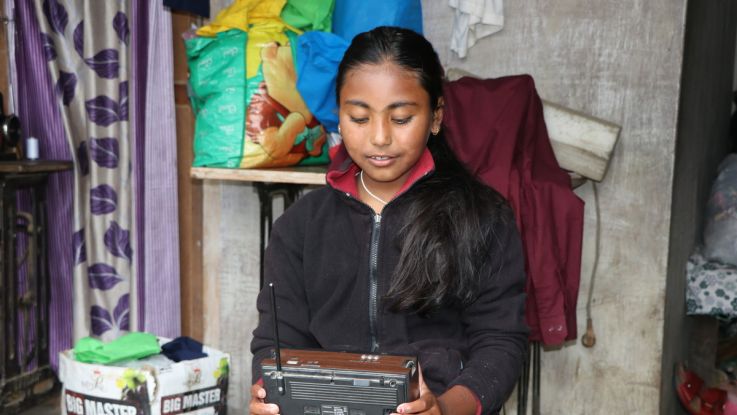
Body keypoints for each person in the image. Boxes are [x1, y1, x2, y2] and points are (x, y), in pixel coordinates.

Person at [249, 26, 528, 415]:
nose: (379, 138)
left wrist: (444, 409)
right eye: (360, 118)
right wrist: (268, 392)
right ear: (339, 117)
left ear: (435, 117)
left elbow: (500, 343)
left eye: (400, 119)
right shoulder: (300, 227)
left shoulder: (482, 218)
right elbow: (275, 342)